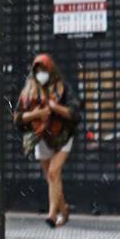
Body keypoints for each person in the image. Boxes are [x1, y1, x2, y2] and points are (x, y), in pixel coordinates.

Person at [16, 53, 78, 229]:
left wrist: (55, 107)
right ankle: (63, 211)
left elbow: (74, 113)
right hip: (42, 137)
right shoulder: (29, 89)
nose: (41, 74)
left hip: (63, 135)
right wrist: (37, 114)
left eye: (44, 70)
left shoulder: (62, 88)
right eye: (38, 71)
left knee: (53, 172)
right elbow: (18, 117)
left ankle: (52, 215)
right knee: (51, 177)